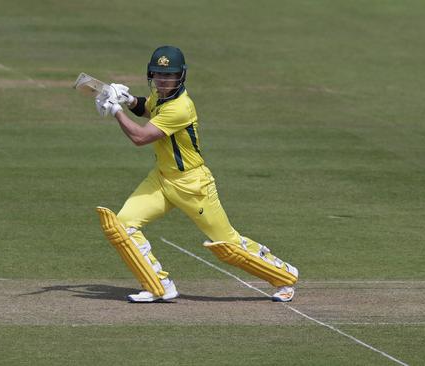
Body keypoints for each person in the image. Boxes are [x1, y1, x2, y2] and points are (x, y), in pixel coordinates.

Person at [94, 45, 298, 303]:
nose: (163, 81)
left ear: (181, 76)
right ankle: (159, 286)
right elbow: (150, 109)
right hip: (161, 179)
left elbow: (140, 137)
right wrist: (129, 100)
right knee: (120, 226)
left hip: (193, 185)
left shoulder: (181, 107)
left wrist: (116, 111)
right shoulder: (161, 96)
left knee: (228, 246)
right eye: (158, 75)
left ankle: (285, 276)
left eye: (169, 76)